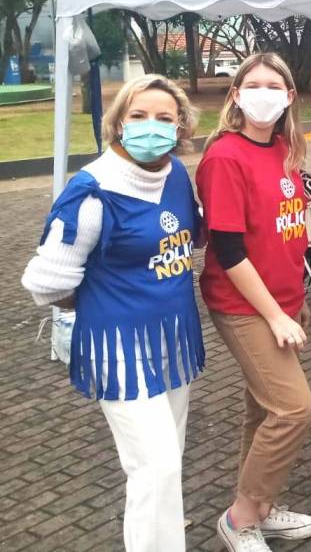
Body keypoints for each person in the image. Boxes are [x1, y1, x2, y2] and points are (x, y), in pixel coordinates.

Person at [21, 75, 205, 552]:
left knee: (169, 461)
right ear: (119, 122)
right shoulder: (92, 191)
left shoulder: (175, 174)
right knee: (155, 466)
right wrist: (103, 301)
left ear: (181, 126)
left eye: (164, 117)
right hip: (118, 346)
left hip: (172, 339)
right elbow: (46, 282)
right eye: (138, 115)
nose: (151, 125)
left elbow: (190, 237)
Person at [196, 53, 311, 551]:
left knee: (264, 410)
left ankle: (261, 506)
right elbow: (228, 251)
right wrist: (274, 315)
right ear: (236, 95)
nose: (263, 94)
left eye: (274, 86)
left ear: (289, 97)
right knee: (293, 410)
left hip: (282, 301)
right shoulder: (225, 157)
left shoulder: (285, 148)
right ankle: (240, 518)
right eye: (253, 84)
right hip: (244, 307)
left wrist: (296, 299)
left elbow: (287, 233)